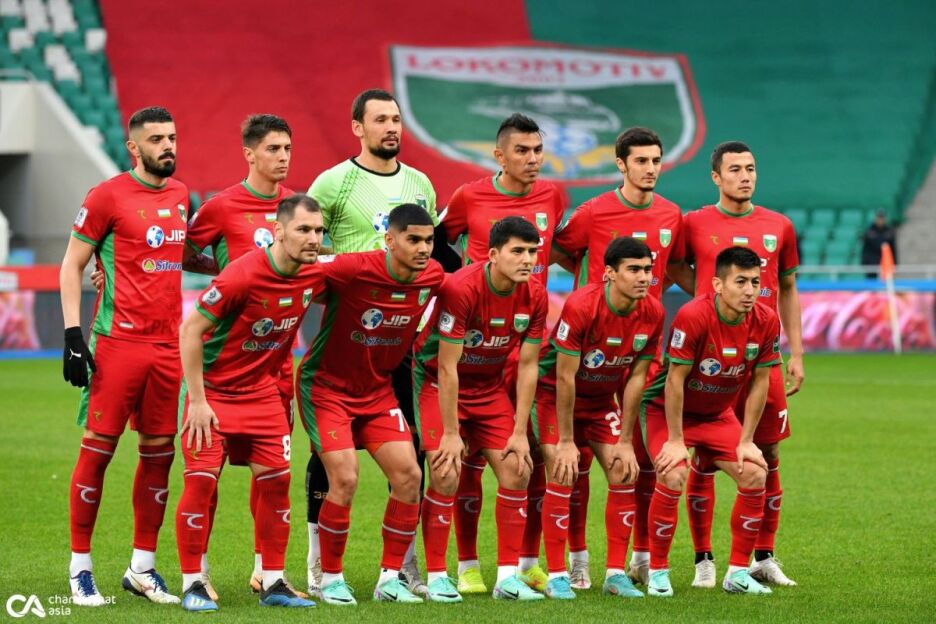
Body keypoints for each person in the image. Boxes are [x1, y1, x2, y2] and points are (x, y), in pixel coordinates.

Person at [304, 89, 443, 597]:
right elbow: (304, 241)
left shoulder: (420, 184)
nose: (391, 127)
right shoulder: (334, 182)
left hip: (398, 341)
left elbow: (437, 257)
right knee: (331, 463)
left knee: (411, 456)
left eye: (396, 119)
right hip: (347, 332)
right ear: (357, 127)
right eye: (380, 119)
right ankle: (319, 564)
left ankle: (403, 568)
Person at [60, 106, 200, 606]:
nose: (168, 146)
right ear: (134, 148)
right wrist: (72, 334)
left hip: (167, 348)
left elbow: (177, 257)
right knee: (97, 452)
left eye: (172, 137)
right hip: (117, 343)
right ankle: (80, 569)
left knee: (160, 457)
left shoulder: (182, 195)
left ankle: (142, 568)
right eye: (157, 139)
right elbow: (72, 264)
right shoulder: (107, 196)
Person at [175, 194, 325, 612]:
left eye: (318, 231)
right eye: (303, 230)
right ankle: (192, 583)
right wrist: (197, 400)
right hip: (214, 394)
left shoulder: (315, 274)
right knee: (201, 483)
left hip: (262, 395)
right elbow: (189, 331)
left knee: (276, 483)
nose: (313, 239)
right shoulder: (241, 275)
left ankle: (273, 581)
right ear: (278, 231)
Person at [551, 126, 685, 588]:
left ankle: (640, 558)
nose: (650, 169)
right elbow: (559, 250)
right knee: (574, 465)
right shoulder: (593, 211)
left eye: (656, 160)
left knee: (639, 459)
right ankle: (575, 561)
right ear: (621, 164)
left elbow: (674, 267)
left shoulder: (672, 214)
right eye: (641, 161)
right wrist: (596, 287)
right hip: (589, 345)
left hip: (637, 342)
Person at [440, 113, 566, 594]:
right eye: (522, 151)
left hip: (528, 343)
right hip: (479, 350)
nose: (533, 159)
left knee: (529, 457)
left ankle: (525, 563)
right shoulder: (469, 196)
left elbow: (561, 249)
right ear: (499, 155)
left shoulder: (552, 196)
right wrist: (464, 285)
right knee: (468, 461)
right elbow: (440, 243)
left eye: (538, 151)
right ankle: (468, 566)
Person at [184, 113, 306, 599]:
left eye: (288, 148)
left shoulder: (297, 209)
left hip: (276, 366)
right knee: (206, 473)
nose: (283, 157)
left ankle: (264, 569)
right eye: (273, 149)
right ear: (250, 154)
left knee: (272, 472)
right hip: (225, 359)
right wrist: (228, 275)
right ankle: (199, 572)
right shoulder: (222, 206)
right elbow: (184, 252)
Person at [673, 141, 804, 588]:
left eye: (750, 168)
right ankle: (704, 559)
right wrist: (707, 295)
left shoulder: (779, 225)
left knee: (768, 453)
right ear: (716, 177)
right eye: (734, 169)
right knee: (705, 457)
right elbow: (674, 267)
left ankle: (763, 556)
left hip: (761, 355)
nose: (745, 176)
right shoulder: (694, 223)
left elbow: (788, 288)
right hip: (710, 361)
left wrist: (796, 353)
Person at [413, 216, 549, 602]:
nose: (528, 259)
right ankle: (438, 576)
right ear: (492, 254)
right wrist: (451, 433)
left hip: (488, 389)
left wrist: (520, 431)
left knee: (518, 468)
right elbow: (446, 366)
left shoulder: (536, 295)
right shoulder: (461, 288)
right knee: (445, 473)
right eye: (518, 251)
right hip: (438, 382)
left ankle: (507, 578)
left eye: (533, 252)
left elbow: (528, 366)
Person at [642, 246, 780, 597]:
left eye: (755, 282)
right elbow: (674, 381)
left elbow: (760, 382)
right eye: (740, 282)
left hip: (718, 415)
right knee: (672, 473)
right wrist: (676, 440)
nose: (750, 290)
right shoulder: (693, 315)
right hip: (669, 412)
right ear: (718, 284)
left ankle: (737, 573)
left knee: (755, 472)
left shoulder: (766, 320)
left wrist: (747, 440)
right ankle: (657, 571)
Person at [535, 237, 664, 600]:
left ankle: (615, 574)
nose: (643, 277)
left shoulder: (653, 312)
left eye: (647, 270)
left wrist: (625, 441)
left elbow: (637, 378)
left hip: (599, 402)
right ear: (609, 273)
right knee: (563, 471)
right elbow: (563, 377)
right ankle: (558, 575)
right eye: (633, 270)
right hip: (554, 397)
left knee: (624, 469)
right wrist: (565, 441)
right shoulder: (582, 305)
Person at [861, 210, 898, 277]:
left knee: (886, 280)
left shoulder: (889, 232)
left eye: (882, 218)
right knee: (872, 281)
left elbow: (893, 249)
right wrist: (864, 262)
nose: (880, 220)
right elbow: (865, 249)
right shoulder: (869, 231)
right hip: (872, 263)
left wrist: (895, 264)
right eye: (879, 218)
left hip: (886, 263)